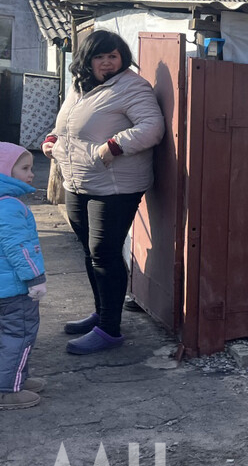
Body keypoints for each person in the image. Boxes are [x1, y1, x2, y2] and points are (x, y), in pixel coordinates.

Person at [42, 30, 164, 355]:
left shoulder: (132, 86)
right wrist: (53, 139)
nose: (108, 62)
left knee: (104, 253)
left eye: (114, 56)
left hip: (115, 185)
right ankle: (101, 313)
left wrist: (114, 146)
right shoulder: (80, 87)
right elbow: (66, 124)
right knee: (89, 251)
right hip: (78, 181)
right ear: (87, 61)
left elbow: (152, 126)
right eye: (100, 57)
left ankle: (110, 330)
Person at [0, 143, 47, 409]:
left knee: (6, 336)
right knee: (20, 335)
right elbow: (20, 248)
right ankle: (7, 389)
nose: (32, 174)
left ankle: (15, 378)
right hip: (15, 289)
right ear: (6, 172)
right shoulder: (10, 207)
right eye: (25, 168)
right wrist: (35, 279)